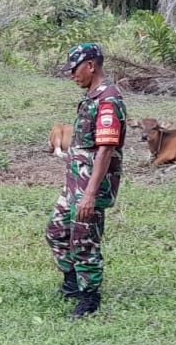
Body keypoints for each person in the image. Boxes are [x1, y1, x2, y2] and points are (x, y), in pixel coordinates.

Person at [46, 42, 127, 319]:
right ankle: (72, 285)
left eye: (75, 69)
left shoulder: (108, 100)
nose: (72, 75)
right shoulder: (92, 97)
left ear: (91, 65)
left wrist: (90, 194)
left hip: (89, 187)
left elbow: (106, 149)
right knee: (56, 232)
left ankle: (90, 299)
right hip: (74, 185)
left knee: (84, 242)